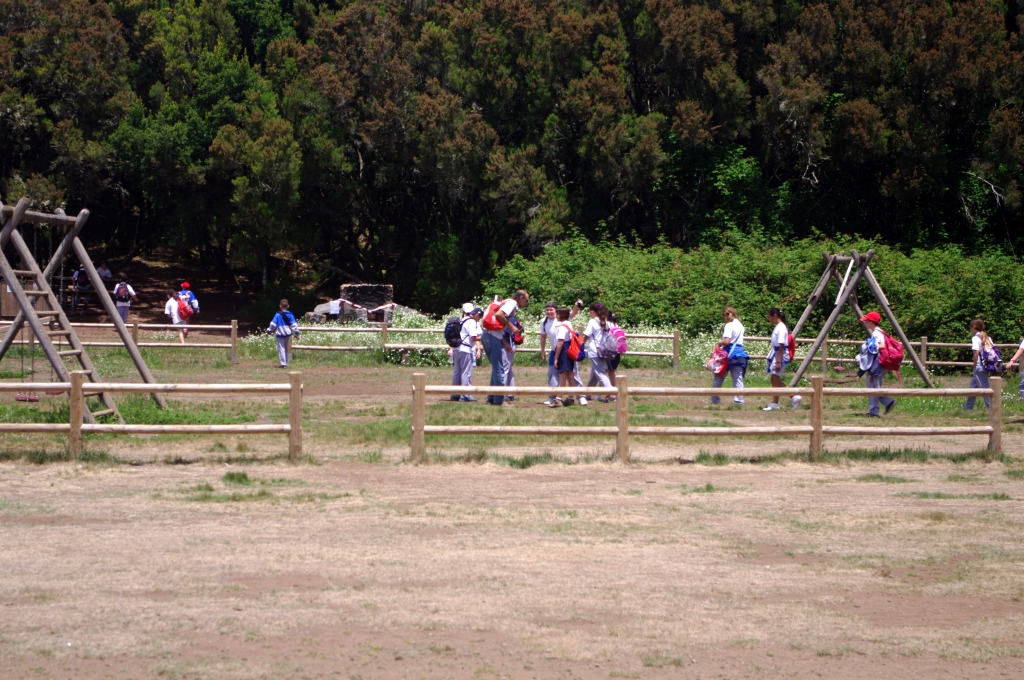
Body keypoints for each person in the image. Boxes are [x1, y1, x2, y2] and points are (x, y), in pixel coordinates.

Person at [480, 290, 529, 406]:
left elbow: (497, 326)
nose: (526, 303)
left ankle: (491, 398)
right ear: (521, 298)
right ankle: (499, 400)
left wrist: (505, 343)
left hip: (488, 335)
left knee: (496, 369)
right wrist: (511, 327)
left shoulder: (506, 302)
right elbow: (499, 314)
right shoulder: (512, 303)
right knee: (499, 370)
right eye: (526, 301)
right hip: (492, 338)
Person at [539, 299, 585, 406]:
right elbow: (543, 336)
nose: (549, 312)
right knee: (553, 374)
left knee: (569, 374)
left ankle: (579, 396)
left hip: (564, 351)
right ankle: (554, 397)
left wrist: (577, 305)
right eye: (547, 310)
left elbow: (572, 312)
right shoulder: (544, 321)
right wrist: (542, 351)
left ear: (556, 311)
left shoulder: (562, 321)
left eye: (551, 310)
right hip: (554, 350)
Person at [856, 311, 895, 417]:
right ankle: (885, 404)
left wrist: (871, 346)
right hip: (878, 363)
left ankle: (876, 410)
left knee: (873, 386)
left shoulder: (876, 333)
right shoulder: (878, 332)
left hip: (878, 364)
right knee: (872, 386)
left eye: (866, 321)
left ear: (871, 322)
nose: (865, 323)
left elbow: (882, 345)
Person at [763, 307, 801, 411]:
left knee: (775, 378)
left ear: (775, 316)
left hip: (780, 354)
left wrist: (778, 361)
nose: (769, 319)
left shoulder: (781, 327)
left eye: (769, 317)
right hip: (777, 354)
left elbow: (781, 345)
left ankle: (793, 396)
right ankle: (775, 403)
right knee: (774, 378)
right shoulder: (779, 326)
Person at [711, 307, 749, 405]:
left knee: (719, 375)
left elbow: (727, 341)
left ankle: (715, 399)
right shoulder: (740, 325)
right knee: (737, 378)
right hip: (739, 353)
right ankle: (739, 400)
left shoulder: (729, 325)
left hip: (729, 353)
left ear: (726, 315)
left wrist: (720, 343)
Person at [583, 303, 616, 404]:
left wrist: (580, 345)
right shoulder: (606, 322)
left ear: (592, 312)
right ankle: (588, 394)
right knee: (594, 373)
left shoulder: (592, 322)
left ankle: (612, 393)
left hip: (595, 351)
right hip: (604, 351)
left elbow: (586, 336)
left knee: (601, 373)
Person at [450, 306, 483, 402]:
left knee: (457, 372)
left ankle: (455, 394)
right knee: (466, 372)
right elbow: (473, 337)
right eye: (479, 317)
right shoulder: (471, 322)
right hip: (465, 350)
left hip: (457, 348)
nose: (479, 320)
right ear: (476, 315)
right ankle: (466, 394)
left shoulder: (463, 320)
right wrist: (484, 338)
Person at [548, 307, 577, 408]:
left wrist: (556, 358)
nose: (556, 316)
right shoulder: (569, 324)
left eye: (557, 314)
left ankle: (558, 399)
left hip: (564, 351)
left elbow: (560, 343)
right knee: (570, 374)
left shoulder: (562, 326)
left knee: (562, 374)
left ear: (561, 315)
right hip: (570, 350)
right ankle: (571, 398)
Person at [964, 318, 994, 411]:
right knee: (973, 387)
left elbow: (976, 352)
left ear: (974, 327)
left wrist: (974, 365)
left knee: (985, 388)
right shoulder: (988, 338)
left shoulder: (975, 338)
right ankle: (968, 406)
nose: (970, 330)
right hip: (986, 365)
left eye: (970, 328)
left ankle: (991, 408)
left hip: (979, 366)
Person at [267, 299, 300, 368]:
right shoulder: (290, 314)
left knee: (281, 348)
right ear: (288, 306)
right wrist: (297, 334)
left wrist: (269, 331)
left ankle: (283, 363)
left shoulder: (277, 315)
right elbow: (294, 325)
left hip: (280, 334)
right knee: (287, 348)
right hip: (288, 333)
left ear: (280, 306)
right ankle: (286, 362)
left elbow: (273, 324)